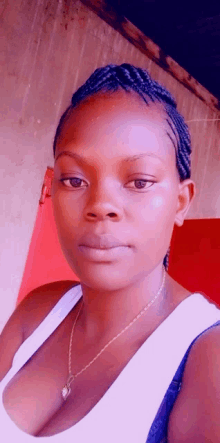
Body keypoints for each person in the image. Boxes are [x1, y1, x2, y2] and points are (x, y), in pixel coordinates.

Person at [0, 63, 220, 442]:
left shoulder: (205, 357)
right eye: (74, 179)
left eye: (139, 181)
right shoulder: (38, 312)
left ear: (181, 202)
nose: (101, 205)